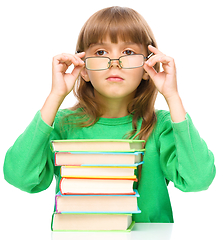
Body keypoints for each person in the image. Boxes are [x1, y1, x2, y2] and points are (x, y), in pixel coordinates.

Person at [3, 6, 216, 223]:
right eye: (101, 53)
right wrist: (55, 95)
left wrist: (173, 97)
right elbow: (20, 177)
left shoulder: (160, 126)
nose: (115, 63)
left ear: (147, 67)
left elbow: (198, 180)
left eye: (129, 52)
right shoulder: (62, 125)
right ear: (83, 68)